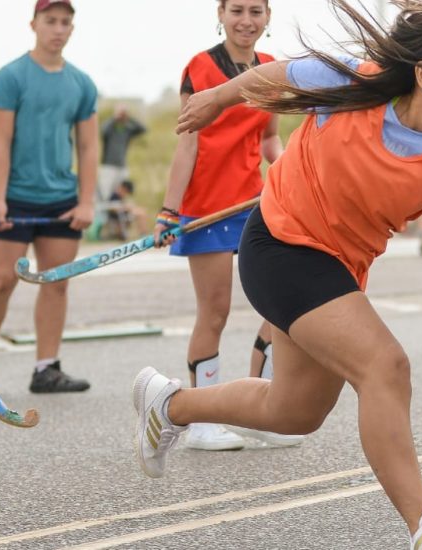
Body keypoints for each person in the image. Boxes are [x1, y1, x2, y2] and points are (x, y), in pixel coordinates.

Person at [131, 2, 422, 548]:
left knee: (295, 410)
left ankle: (169, 404)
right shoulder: (357, 79)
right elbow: (277, 75)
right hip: (280, 242)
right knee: (386, 366)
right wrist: (216, 98)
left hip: (339, 269)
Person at [153, 0, 298, 450]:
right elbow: (188, 146)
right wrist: (169, 210)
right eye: (237, 9)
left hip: (256, 205)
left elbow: (269, 138)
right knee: (214, 312)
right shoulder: (200, 67)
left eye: (256, 11)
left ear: (268, 17)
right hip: (206, 208)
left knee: (282, 305)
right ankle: (201, 422)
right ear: (221, 13)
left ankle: (266, 412)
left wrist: (290, 169)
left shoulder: (270, 69)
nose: (246, 20)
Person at [0, 0, 95, 398]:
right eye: (51, 21)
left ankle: (46, 369)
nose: (58, 29)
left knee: (56, 282)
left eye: (66, 22)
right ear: (33, 24)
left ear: (72, 29)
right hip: (12, 196)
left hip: (61, 199)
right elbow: (0, 144)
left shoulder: (82, 84)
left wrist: (86, 201)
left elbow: (88, 148)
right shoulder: (10, 77)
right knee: (2, 280)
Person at [98, 103, 145, 203]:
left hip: (122, 166)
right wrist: (114, 117)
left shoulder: (127, 130)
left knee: (122, 193)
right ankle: (104, 215)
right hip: (108, 166)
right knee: (105, 193)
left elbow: (142, 129)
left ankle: (118, 215)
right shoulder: (110, 130)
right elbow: (103, 130)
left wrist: (128, 117)